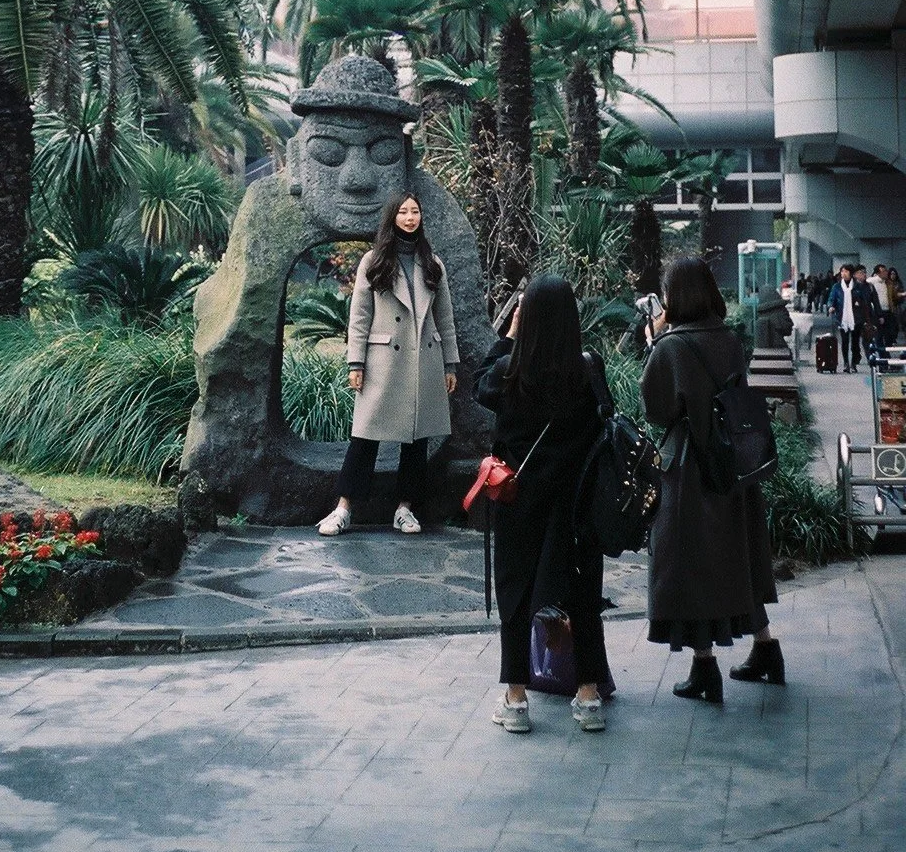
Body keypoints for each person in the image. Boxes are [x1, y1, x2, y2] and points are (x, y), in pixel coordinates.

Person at [475, 274, 610, 735]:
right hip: (576, 507)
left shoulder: (510, 372)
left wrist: (508, 337)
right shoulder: (588, 369)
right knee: (582, 596)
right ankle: (588, 697)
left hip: (520, 502)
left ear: (525, 316)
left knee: (515, 595)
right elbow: (604, 425)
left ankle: (516, 700)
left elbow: (479, 386)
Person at [642, 256, 781, 701]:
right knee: (738, 557)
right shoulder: (730, 338)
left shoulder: (671, 347)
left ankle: (704, 666)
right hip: (734, 466)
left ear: (674, 296)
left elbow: (657, 409)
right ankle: (765, 648)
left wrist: (654, 341)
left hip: (689, 470)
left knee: (688, 565)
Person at [317, 192, 459, 538]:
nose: (410, 217)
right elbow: (360, 315)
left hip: (424, 358)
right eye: (403, 211)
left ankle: (405, 509)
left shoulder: (432, 263)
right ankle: (343, 508)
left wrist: (450, 364)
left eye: (415, 211)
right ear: (392, 217)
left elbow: (445, 317)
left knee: (416, 439)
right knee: (365, 437)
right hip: (383, 360)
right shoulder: (374, 260)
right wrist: (356, 361)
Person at [828, 264, 860, 372]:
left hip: (855, 318)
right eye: (842, 271)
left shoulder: (857, 286)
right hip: (842, 318)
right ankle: (846, 363)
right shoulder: (836, 286)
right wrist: (831, 306)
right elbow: (831, 299)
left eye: (846, 271)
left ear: (851, 273)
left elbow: (863, 301)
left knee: (855, 343)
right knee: (845, 341)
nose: (843, 274)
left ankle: (854, 363)